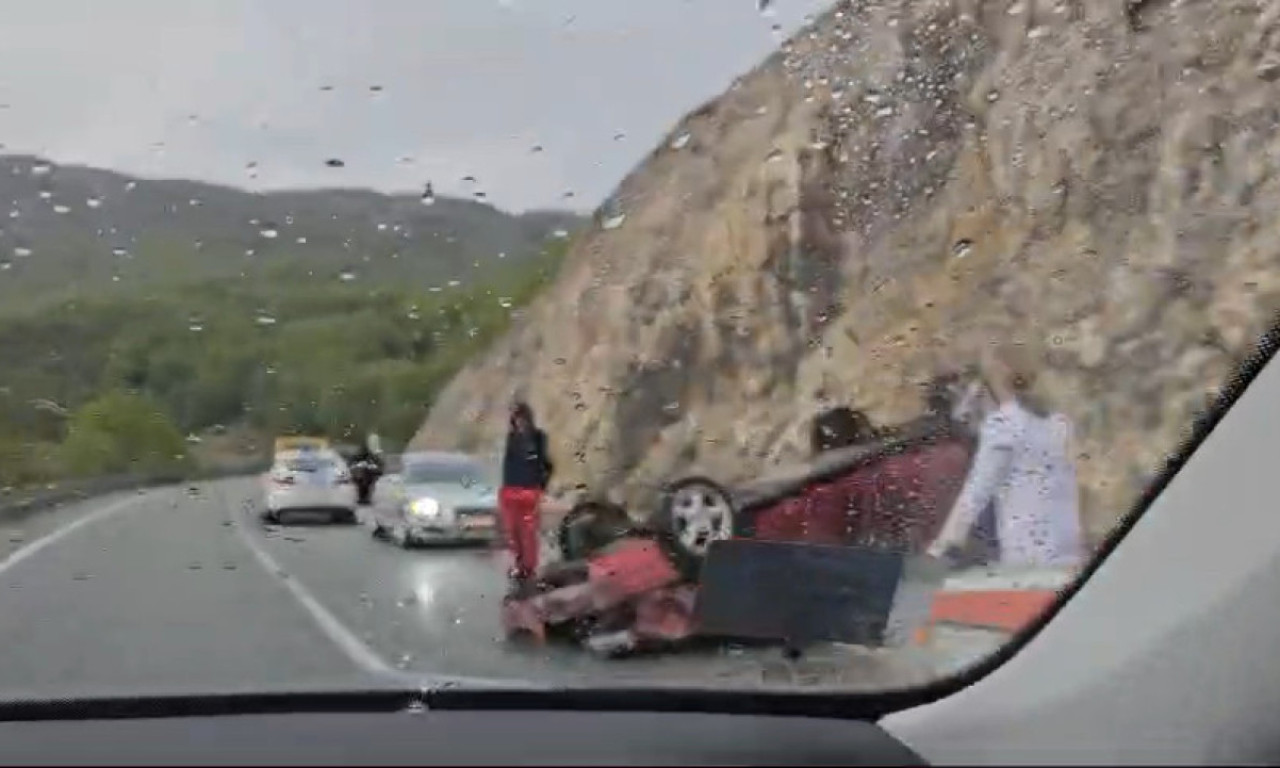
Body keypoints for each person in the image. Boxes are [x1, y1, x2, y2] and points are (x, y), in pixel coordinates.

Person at [926, 341, 1085, 569]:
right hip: (1067, 542)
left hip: (1027, 547)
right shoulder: (1059, 422)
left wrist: (943, 545)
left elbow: (977, 491)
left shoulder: (1003, 425)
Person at [500, 402, 554, 591]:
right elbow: (508, 464)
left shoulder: (538, 437)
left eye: (521, 417)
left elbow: (546, 463)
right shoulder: (511, 438)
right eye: (515, 417)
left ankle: (529, 567)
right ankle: (520, 564)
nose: (518, 421)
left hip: (529, 490)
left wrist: (541, 485)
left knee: (528, 531)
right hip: (510, 489)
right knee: (513, 531)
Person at [347, 433, 385, 506]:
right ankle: (362, 496)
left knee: (368, 479)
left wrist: (374, 467)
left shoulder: (376, 453)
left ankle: (365, 496)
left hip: (370, 473)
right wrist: (356, 465)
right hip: (360, 473)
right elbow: (352, 461)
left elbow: (380, 464)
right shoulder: (361, 452)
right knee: (361, 478)